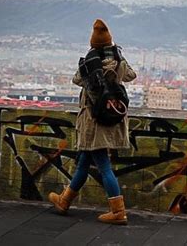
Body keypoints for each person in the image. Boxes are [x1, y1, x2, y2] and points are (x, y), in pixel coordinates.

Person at [48, 18, 136, 225]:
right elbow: (131, 75)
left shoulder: (89, 61)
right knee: (84, 162)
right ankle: (64, 201)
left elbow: (76, 80)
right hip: (112, 117)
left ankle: (118, 211)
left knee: (103, 165)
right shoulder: (119, 59)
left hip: (93, 121)